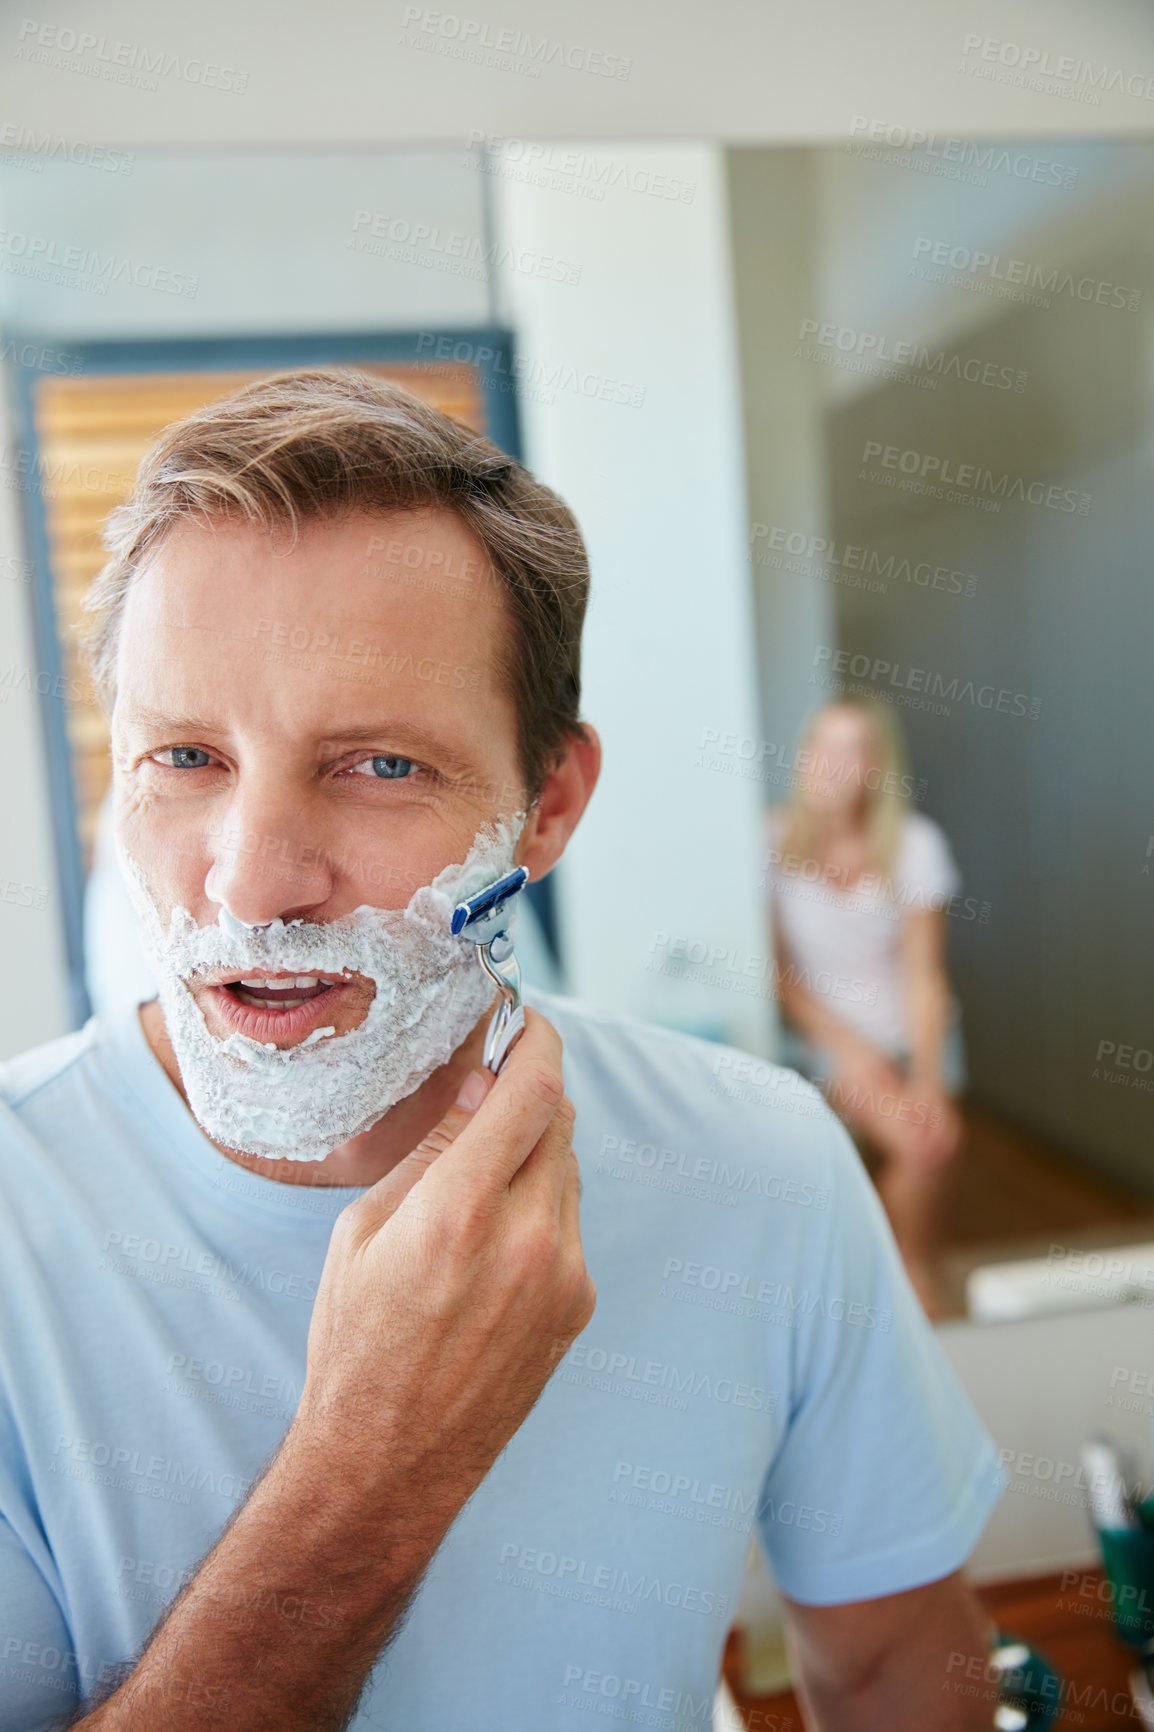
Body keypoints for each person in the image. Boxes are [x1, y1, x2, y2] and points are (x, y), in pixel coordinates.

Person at [0, 371, 1004, 1731]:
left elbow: (894, 1669)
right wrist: (374, 1469)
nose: (252, 883)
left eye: (377, 765)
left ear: (548, 806)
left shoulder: (760, 1162)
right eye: (184, 757)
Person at [764, 699, 966, 1317]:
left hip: (916, 1036)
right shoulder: (771, 840)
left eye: (852, 748)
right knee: (918, 1146)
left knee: (929, 1139)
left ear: (876, 765)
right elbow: (782, 977)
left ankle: (896, 1277)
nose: (833, 764)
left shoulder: (915, 844)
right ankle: (907, 1276)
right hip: (830, 1042)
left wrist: (928, 1081)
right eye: (822, 746)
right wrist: (851, 1049)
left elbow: (925, 975)